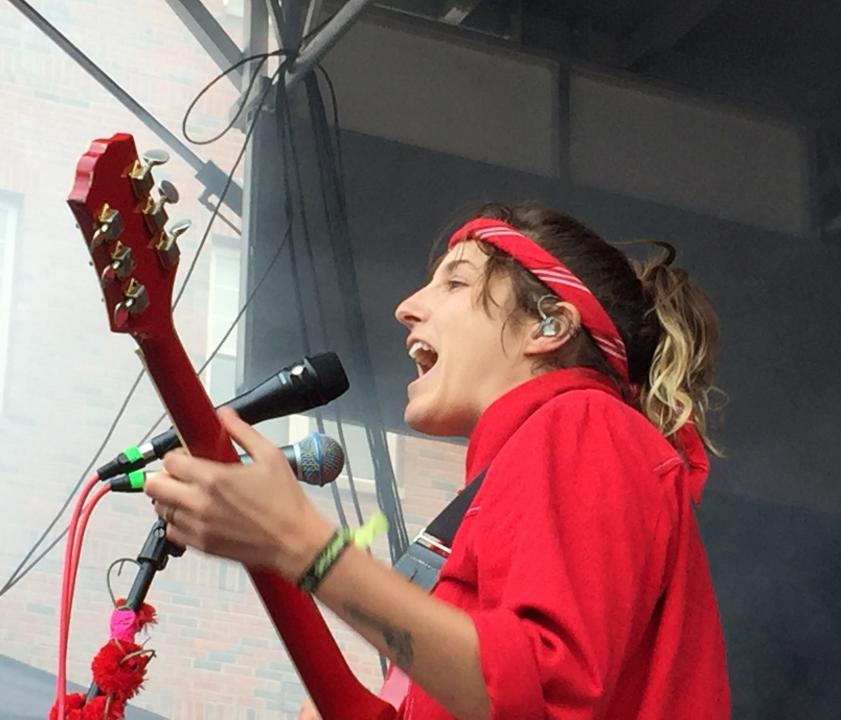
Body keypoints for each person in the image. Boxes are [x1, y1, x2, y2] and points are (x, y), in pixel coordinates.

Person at [145, 202, 731, 719]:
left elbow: (543, 696)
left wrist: (299, 543)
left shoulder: (584, 420)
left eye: (455, 282)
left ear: (550, 325)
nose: (406, 308)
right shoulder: (497, 487)